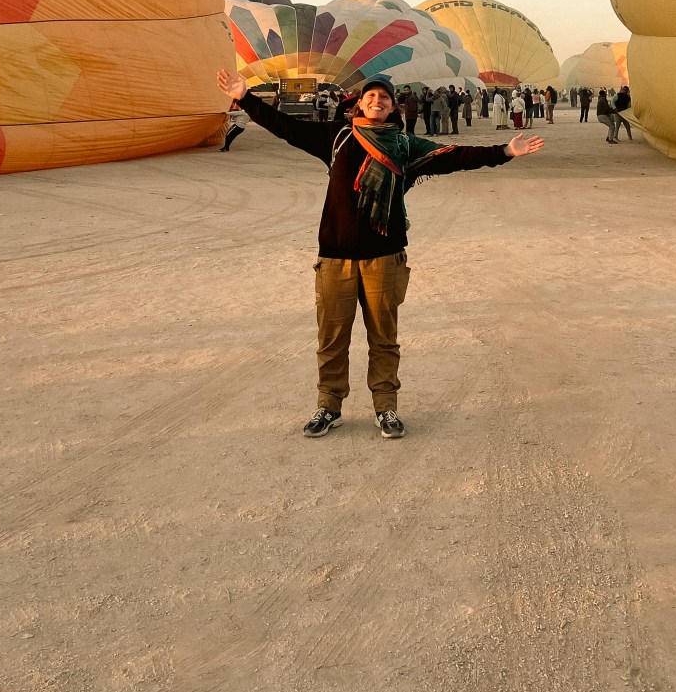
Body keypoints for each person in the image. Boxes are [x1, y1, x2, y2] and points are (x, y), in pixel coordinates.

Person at [216, 68, 544, 439]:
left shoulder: (405, 145)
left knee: (383, 338)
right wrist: (245, 97)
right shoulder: (336, 137)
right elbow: (285, 127)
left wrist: (504, 151)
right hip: (335, 256)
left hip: (385, 256)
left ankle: (385, 407)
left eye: (384, 97)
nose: (377, 101)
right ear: (358, 103)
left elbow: (455, 156)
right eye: (370, 96)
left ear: (393, 107)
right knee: (332, 338)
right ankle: (329, 405)